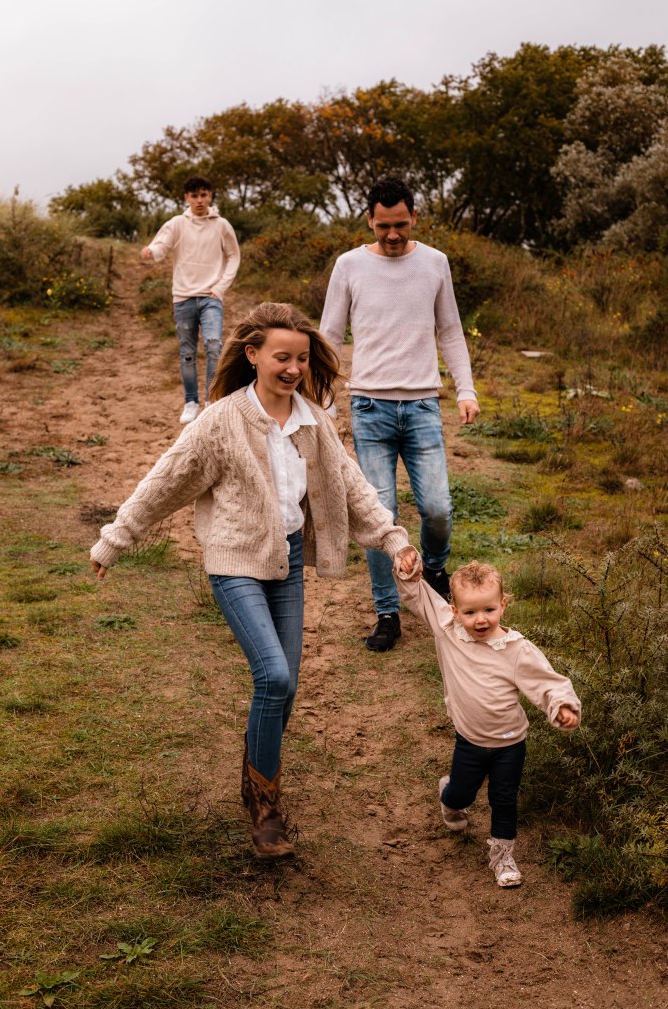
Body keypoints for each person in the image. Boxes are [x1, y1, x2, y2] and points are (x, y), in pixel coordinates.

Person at [89, 302, 409, 859]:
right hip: (235, 561)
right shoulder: (222, 421)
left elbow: (352, 484)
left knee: (285, 691)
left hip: (286, 560)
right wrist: (117, 537)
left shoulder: (313, 421)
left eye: (302, 359)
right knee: (274, 677)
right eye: (282, 357)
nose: (294, 368)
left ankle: (254, 773)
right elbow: (166, 480)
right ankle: (266, 810)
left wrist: (393, 538)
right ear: (253, 355)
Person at [320, 175, 480, 653]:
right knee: (379, 517)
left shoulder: (434, 262)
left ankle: (434, 569)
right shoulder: (349, 265)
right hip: (369, 407)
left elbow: (450, 331)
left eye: (401, 225)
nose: (393, 234)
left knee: (438, 508)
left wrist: (466, 390)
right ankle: (387, 611)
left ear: (414, 217)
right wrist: (323, 402)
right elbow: (329, 337)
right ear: (369, 220)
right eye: (384, 225)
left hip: (423, 405)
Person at [393, 551, 581, 887]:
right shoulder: (448, 630)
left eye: (489, 610)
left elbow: (546, 681)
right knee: (461, 796)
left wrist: (562, 705)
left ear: (503, 605)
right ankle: (449, 794)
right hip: (470, 741)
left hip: (511, 743)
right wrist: (409, 572)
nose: (480, 620)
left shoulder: (516, 649)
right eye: (470, 612)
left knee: (504, 800)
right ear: (454, 610)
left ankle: (503, 858)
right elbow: (418, 596)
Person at [141, 175, 241, 425]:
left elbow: (234, 256)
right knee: (187, 353)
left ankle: (211, 401)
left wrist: (220, 287)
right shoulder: (177, 223)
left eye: (203, 195)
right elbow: (161, 245)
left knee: (214, 345)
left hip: (210, 298)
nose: (199, 200)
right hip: (183, 298)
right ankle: (191, 402)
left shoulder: (221, 225)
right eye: (194, 195)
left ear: (210, 196)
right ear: (187, 197)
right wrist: (151, 251)